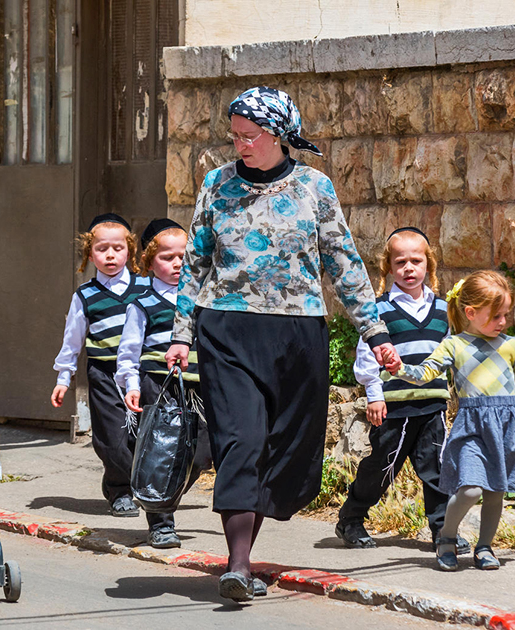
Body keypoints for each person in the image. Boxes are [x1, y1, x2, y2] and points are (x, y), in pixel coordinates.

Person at [165, 86, 400, 602]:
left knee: (287, 449)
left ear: (277, 135)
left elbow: (344, 263)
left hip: (298, 333)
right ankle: (238, 563)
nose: (240, 146)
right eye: (235, 137)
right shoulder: (216, 185)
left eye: (249, 136)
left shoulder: (315, 187)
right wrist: (182, 333)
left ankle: (245, 557)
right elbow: (196, 264)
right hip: (227, 329)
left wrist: (375, 332)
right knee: (241, 441)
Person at [385, 270, 515, 571]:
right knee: (470, 489)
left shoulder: (510, 346)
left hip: (506, 427)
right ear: (470, 312)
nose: (503, 322)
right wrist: (399, 368)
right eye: (496, 316)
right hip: (471, 426)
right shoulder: (454, 345)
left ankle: (484, 547)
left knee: (496, 491)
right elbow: (425, 373)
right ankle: (446, 538)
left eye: (506, 315)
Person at [336, 227, 470, 555]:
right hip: (393, 407)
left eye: (416, 261)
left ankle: (443, 530)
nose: (409, 268)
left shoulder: (443, 310)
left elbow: (453, 354)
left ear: (429, 266)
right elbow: (369, 353)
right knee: (381, 468)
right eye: (400, 262)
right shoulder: (379, 310)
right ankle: (351, 518)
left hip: (432, 405)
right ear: (389, 268)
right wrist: (373, 393)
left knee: (437, 468)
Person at [116, 219, 213, 550]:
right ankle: (161, 522)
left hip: (200, 387)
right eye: (167, 257)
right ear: (148, 262)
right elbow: (128, 352)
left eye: (183, 257)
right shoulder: (142, 303)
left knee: (201, 455)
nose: (177, 264)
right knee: (162, 453)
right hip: (159, 385)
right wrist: (130, 385)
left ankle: (155, 494)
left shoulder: (204, 300)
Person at [51, 213, 151, 517]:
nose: (110, 255)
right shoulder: (85, 296)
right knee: (112, 437)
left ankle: (151, 487)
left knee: (143, 434)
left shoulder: (146, 288)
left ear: (130, 251)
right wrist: (63, 378)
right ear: (89, 254)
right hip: (104, 373)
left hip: (141, 373)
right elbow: (73, 340)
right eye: (102, 249)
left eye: (118, 248)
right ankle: (119, 491)